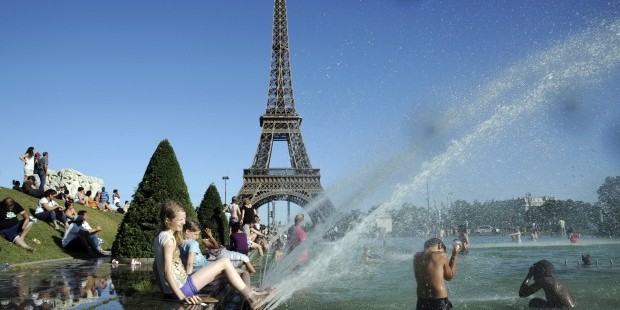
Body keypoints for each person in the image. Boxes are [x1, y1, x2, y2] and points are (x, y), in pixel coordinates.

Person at [153, 200, 270, 306]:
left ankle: (252, 292)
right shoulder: (169, 240)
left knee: (226, 269)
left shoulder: (159, 237)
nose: (184, 222)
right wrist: (182, 297)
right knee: (224, 262)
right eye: (180, 219)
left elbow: (155, 267)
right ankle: (251, 297)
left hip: (175, 289)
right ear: (167, 220)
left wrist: (165, 290)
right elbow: (167, 272)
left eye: (184, 219)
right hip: (182, 289)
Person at [413, 238, 460, 310]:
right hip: (438, 301)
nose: (444, 252)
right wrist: (455, 254)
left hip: (421, 301)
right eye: (444, 250)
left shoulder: (416, 257)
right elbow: (449, 276)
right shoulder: (441, 255)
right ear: (440, 246)